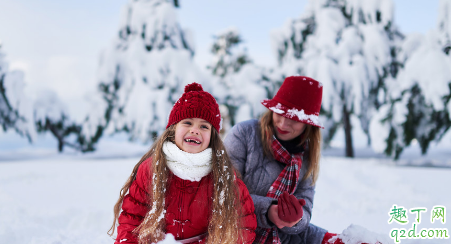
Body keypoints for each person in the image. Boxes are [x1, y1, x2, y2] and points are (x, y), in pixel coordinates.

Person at [109, 83, 257, 244]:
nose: (195, 130)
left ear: (212, 137)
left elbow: (243, 227)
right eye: (187, 122)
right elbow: (132, 221)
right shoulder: (151, 169)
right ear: (173, 129)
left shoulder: (224, 176)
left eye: (204, 126)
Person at [224, 76, 345, 244]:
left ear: (307, 123)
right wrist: (268, 211)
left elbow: (304, 216)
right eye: (280, 112)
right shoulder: (244, 134)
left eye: (294, 119)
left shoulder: (307, 158)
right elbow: (223, 194)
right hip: (231, 235)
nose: (283, 123)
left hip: (279, 238)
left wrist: (294, 218)